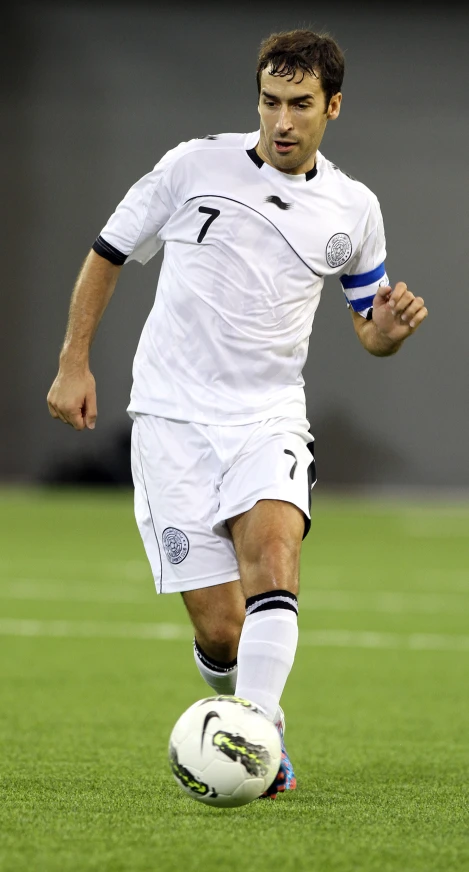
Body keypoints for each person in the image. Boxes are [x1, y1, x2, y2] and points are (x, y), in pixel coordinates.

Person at [47, 29, 428, 798]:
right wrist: (73, 361)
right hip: (171, 417)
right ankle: (241, 702)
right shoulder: (193, 165)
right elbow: (108, 251)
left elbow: (366, 323)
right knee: (222, 630)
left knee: (276, 562)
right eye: (268, 102)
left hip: (267, 414)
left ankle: (258, 734)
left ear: (333, 107)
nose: (280, 121)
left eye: (299, 105)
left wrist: (381, 334)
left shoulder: (354, 208)